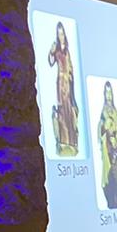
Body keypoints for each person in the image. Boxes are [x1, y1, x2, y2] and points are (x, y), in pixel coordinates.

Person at [46, 21, 79, 157]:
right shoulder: (58, 49)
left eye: (62, 33)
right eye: (59, 33)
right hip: (60, 83)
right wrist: (51, 51)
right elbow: (51, 62)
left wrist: (70, 76)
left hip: (68, 82)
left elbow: (70, 66)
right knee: (62, 110)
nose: (61, 36)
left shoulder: (67, 50)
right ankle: (64, 141)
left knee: (70, 110)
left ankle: (72, 142)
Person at [97, 81, 117, 209]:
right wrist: (106, 133)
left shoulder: (114, 111)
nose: (109, 95)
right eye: (107, 93)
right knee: (110, 180)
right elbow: (101, 131)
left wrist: (116, 140)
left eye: (110, 93)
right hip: (108, 153)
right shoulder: (103, 111)